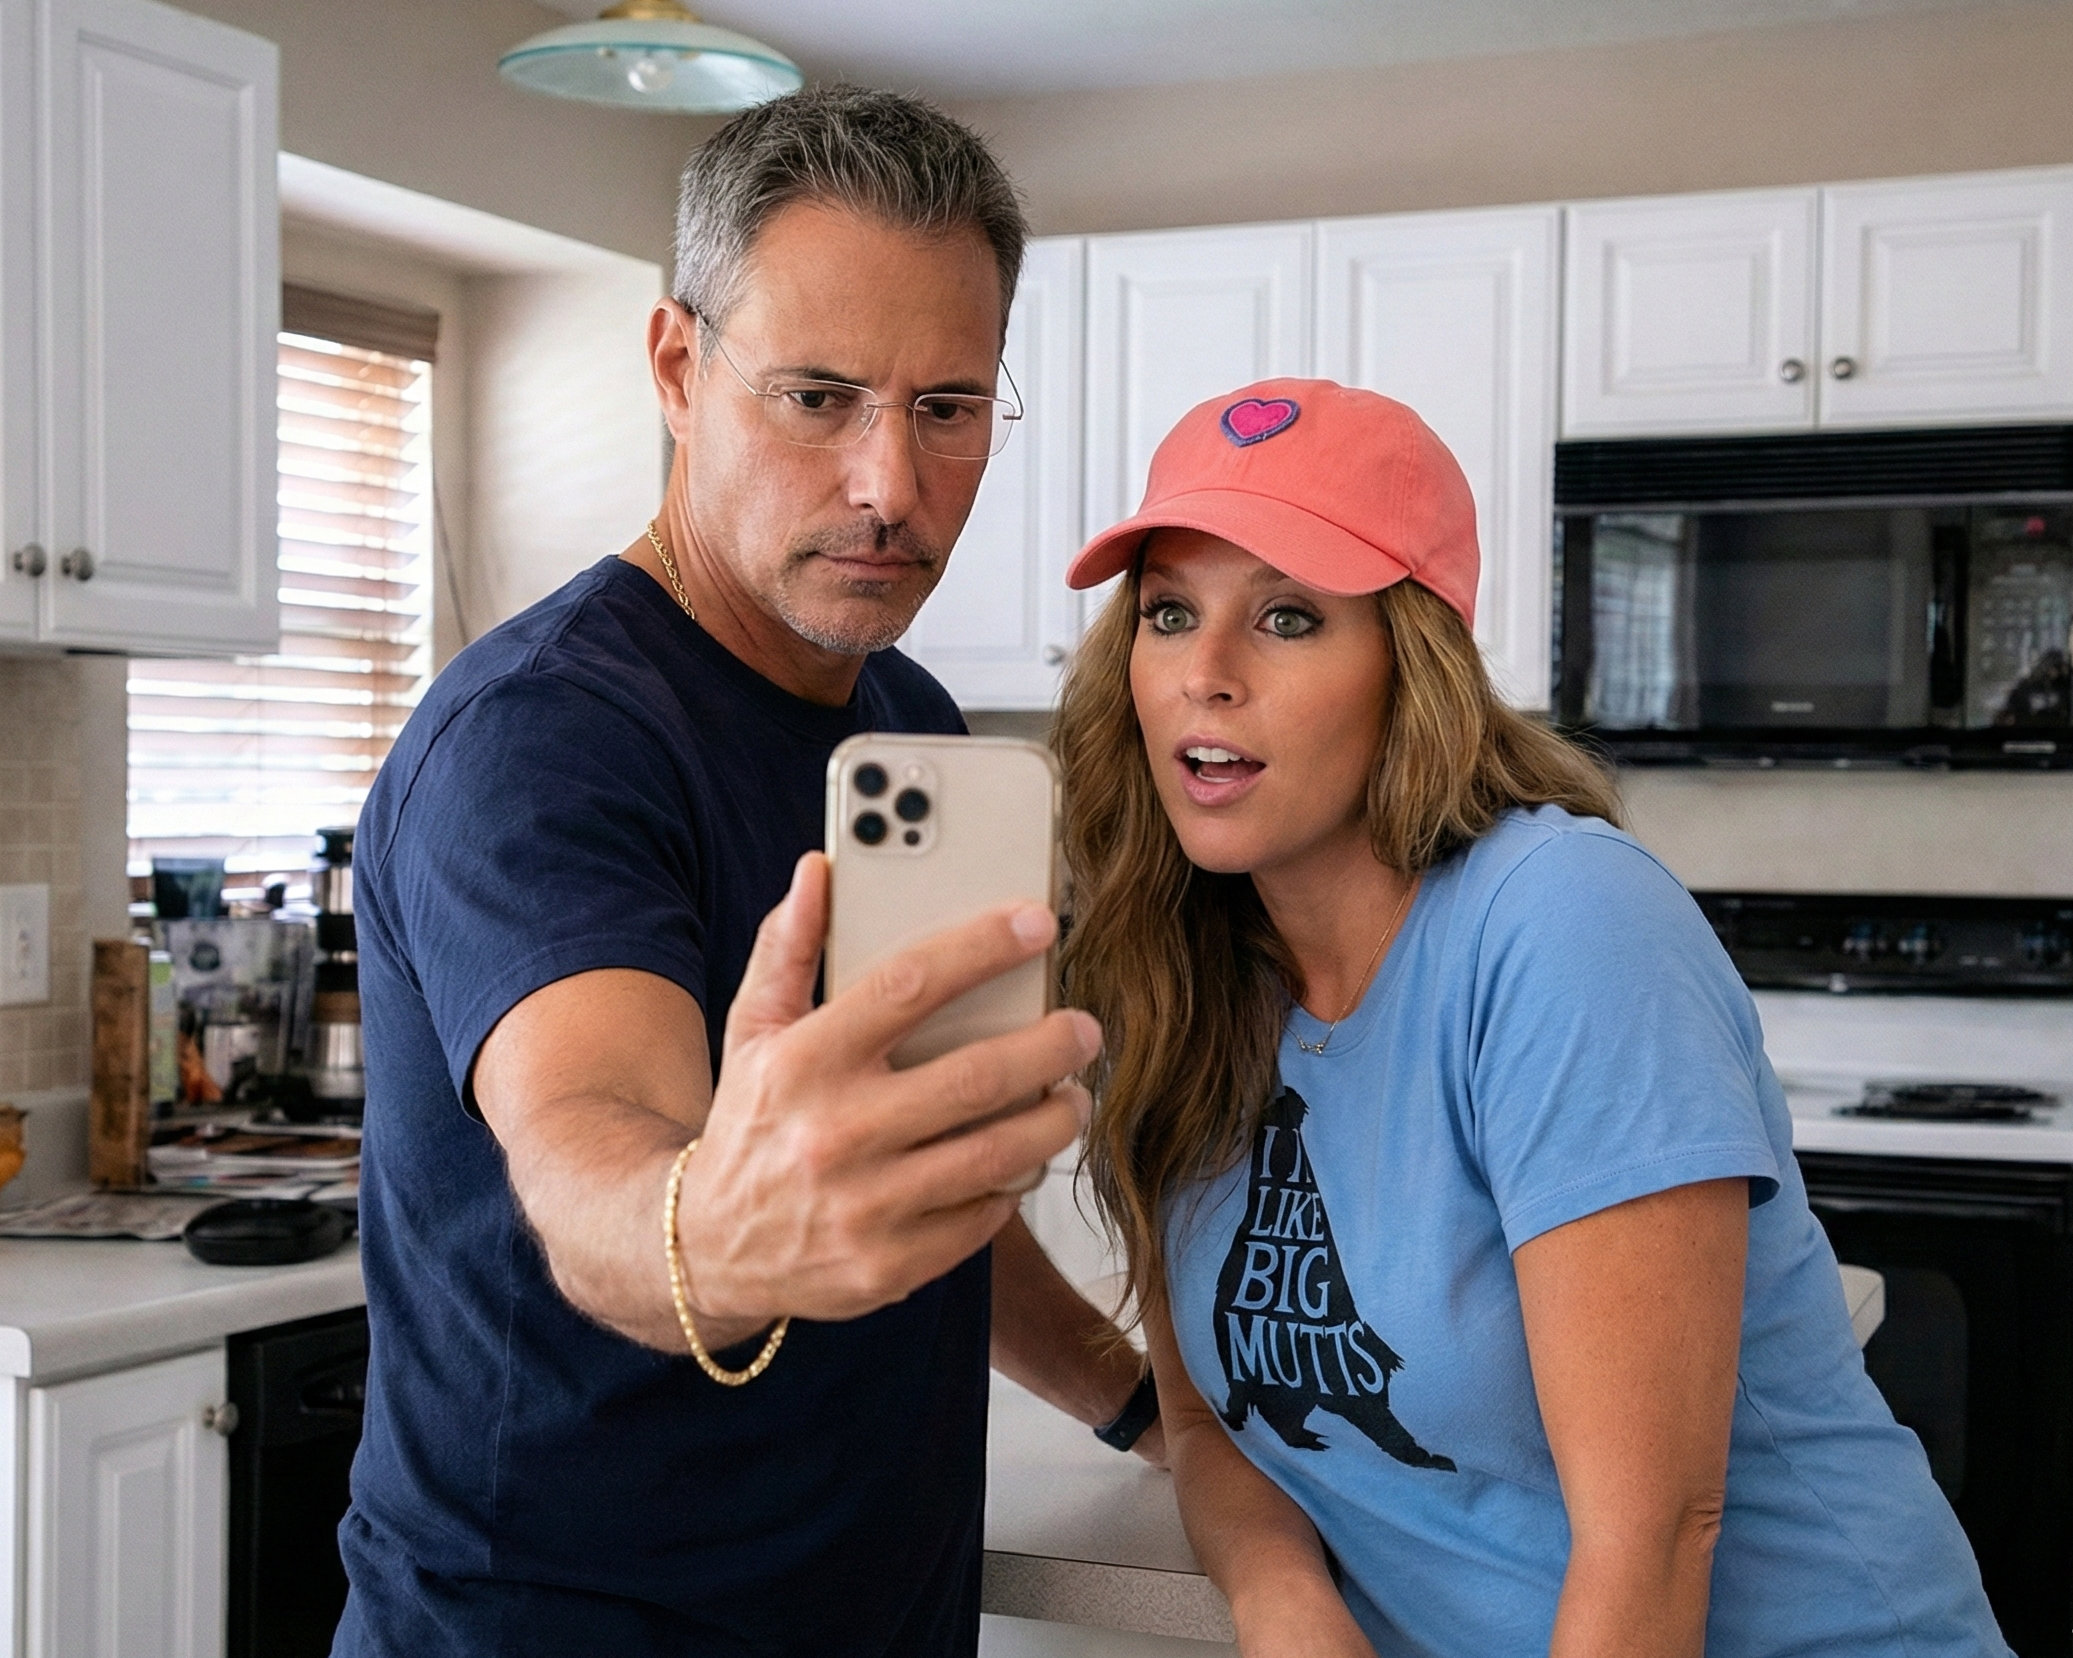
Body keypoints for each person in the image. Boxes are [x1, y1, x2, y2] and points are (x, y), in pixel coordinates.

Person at [335, 87, 1159, 1658]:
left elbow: (911, 1177)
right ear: (676, 370)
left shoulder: (898, 726)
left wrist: (1136, 1403)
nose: (889, 486)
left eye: (948, 407)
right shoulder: (542, 743)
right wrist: (708, 1232)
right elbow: (591, 1143)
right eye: (818, 396)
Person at [1051, 378, 2011, 1658]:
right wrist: (1290, 1609)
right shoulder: (1174, 976)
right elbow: (1211, 1421)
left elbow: (1653, 1537)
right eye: (1169, 612)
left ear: (1415, 662)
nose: (1204, 675)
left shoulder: (1561, 922)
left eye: (1288, 616)